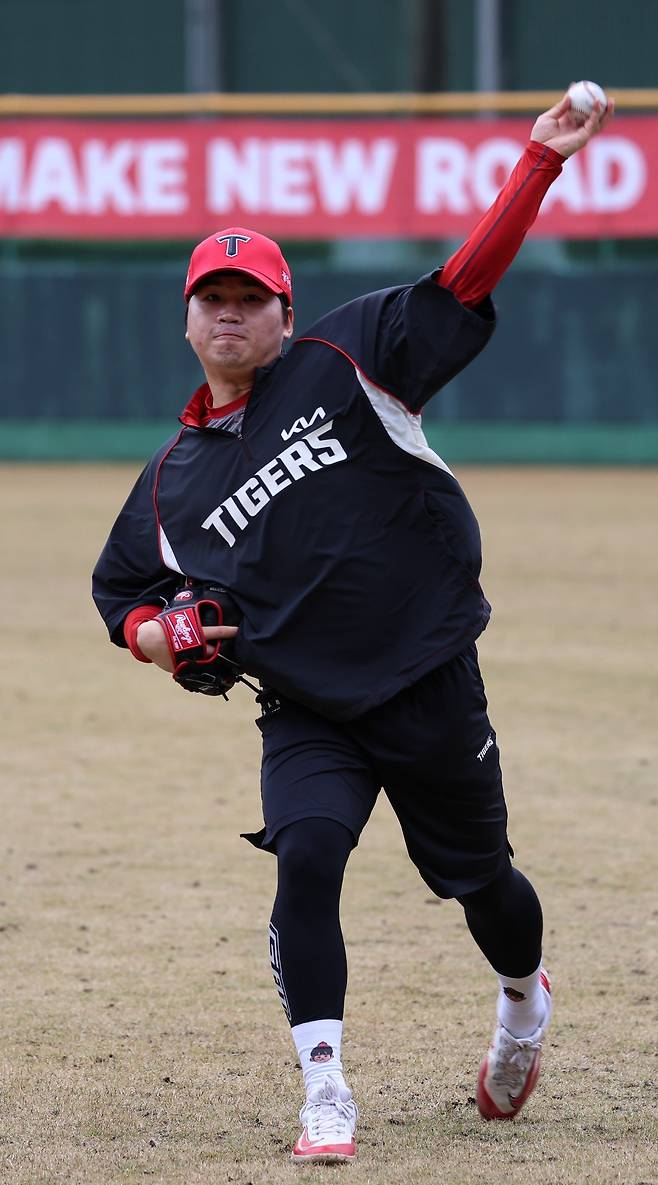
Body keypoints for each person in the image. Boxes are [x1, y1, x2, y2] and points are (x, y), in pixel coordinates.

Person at [93, 93, 613, 1163]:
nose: (231, 314)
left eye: (253, 297)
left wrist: (535, 165)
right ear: (187, 321)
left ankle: (522, 1002)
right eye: (213, 298)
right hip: (308, 704)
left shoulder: (350, 360)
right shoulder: (168, 485)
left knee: (484, 886)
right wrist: (165, 639)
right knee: (309, 854)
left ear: (287, 314)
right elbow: (123, 602)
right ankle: (324, 1089)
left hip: (424, 675)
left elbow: (465, 277)